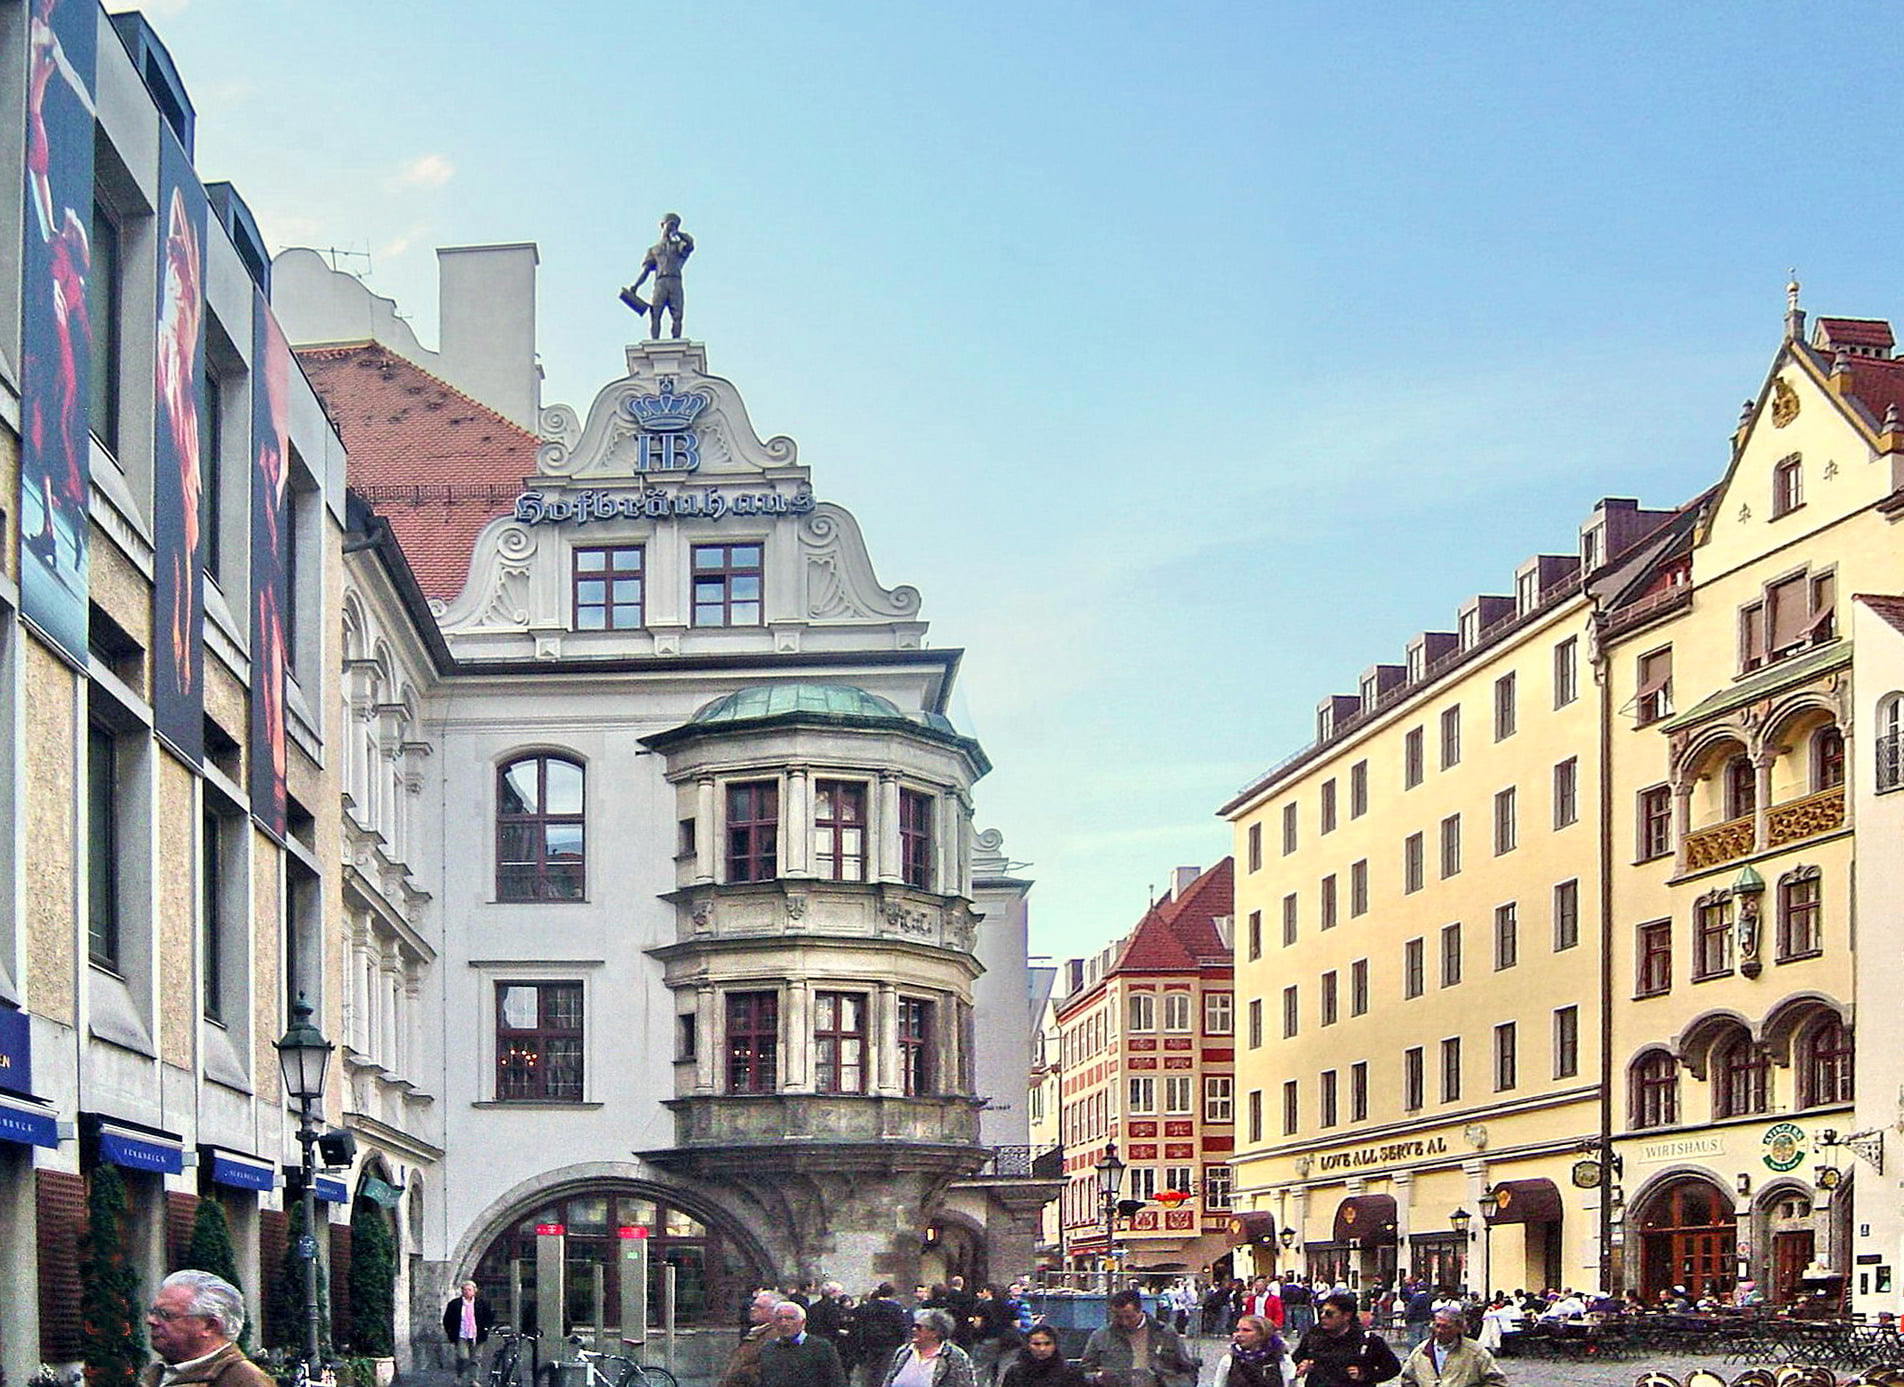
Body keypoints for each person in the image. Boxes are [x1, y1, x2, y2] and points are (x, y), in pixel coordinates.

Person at [142, 1271, 274, 1387]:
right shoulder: (158, 1372)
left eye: (166, 1315)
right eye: (153, 1312)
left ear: (210, 1326)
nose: (151, 1321)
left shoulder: (245, 1381)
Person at [1079, 1288, 1199, 1387]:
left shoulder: (1165, 1333)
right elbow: (1085, 1370)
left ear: (1140, 1310)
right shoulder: (1101, 1336)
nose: (1124, 1322)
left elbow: (1186, 1369)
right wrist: (1097, 1377)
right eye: (1118, 1317)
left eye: (1129, 1317)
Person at [1291, 1291, 1401, 1387]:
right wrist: (1303, 1364)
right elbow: (1296, 1357)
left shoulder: (1367, 1340)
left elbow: (1393, 1368)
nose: (1323, 1316)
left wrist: (1365, 1375)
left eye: (1329, 1313)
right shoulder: (1313, 1335)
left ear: (1346, 1316)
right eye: (1321, 1312)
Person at [621, 213, 695, 339]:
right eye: (670, 224)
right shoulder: (654, 250)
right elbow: (646, 271)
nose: (672, 227)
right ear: (662, 225)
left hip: (675, 281)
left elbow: (690, 244)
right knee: (655, 314)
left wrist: (678, 234)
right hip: (661, 282)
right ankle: (655, 341)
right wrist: (635, 286)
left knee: (677, 315)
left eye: (675, 225)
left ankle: (676, 342)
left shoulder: (679, 247)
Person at [1396, 1310, 1506, 1387]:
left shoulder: (1475, 1352)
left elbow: (1497, 1381)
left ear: (1459, 1328)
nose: (1439, 1331)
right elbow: (1407, 1379)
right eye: (1437, 1326)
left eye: (1446, 1327)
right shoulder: (1422, 1351)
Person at [882, 1309, 979, 1387]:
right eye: (913, 1326)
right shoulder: (904, 1352)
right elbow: (889, 1380)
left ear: (935, 1333)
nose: (914, 1330)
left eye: (919, 1327)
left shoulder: (954, 1356)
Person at [760, 1302, 848, 1387]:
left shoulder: (821, 1347)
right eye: (779, 1319)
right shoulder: (768, 1349)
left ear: (803, 1322)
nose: (784, 1323)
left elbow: (837, 1381)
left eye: (790, 1318)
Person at [722, 1292, 787, 1387]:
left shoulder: (776, 1337)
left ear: (775, 1312)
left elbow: (771, 1369)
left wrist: (741, 1373)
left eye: (759, 1307)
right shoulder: (757, 1333)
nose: (753, 1309)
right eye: (753, 1305)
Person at [857, 1284, 915, 1384]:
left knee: (871, 1370)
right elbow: (900, 1325)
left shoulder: (869, 1306)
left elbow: (862, 1324)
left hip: (871, 1342)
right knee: (885, 1370)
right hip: (890, 1342)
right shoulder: (895, 1307)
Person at [442, 1279, 496, 1383]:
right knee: (463, 1357)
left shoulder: (481, 1304)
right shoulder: (455, 1304)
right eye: (465, 1290)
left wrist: (486, 1329)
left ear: (474, 1291)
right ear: (462, 1291)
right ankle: (459, 1376)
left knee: (476, 1359)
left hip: (477, 1335)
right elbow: (447, 1319)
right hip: (461, 1334)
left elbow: (489, 1317)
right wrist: (450, 1332)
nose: (467, 1292)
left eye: (469, 1290)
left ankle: (473, 1380)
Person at [1212, 1314, 1287, 1387]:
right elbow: (1219, 1384)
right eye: (1237, 1330)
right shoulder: (1229, 1360)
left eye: (1246, 1330)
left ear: (1262, 1334)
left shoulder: (1282, 1360)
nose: (1239, 1334)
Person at [1001, 1326, 1087, 1387]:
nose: (1042, 1349)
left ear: (1055, 1345)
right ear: (1028, 1345)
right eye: (1036, 1344)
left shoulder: (1071, 1372)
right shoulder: (1015, 1372)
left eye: (1047, 1344)